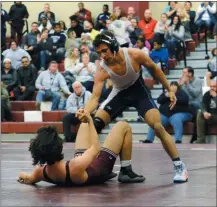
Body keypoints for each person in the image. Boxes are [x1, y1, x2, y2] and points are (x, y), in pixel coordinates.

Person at [82, 31, 188, 183]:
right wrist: (86, 111)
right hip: (119, 94)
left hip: (139, 92)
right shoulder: (102, 70)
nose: (102, 56)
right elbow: (94, 98)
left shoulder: (134, 55)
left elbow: (155, 69)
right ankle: (91, 166)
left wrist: (169, 89)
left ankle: (179, 166)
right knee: (94, 123)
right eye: (99, 53)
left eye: (104, 51)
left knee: (157, 126)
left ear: (113, 46)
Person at [17, 110, 145, 185]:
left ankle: (85, 118)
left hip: (82, 165)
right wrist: (89, 120)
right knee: (123, 125)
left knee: (83, 125)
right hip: (100, 166)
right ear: (59, 146)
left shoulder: (42, 172)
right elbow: (96, 149)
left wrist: (22, 175)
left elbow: (28, 178)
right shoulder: (75, 165)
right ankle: (126, 171)